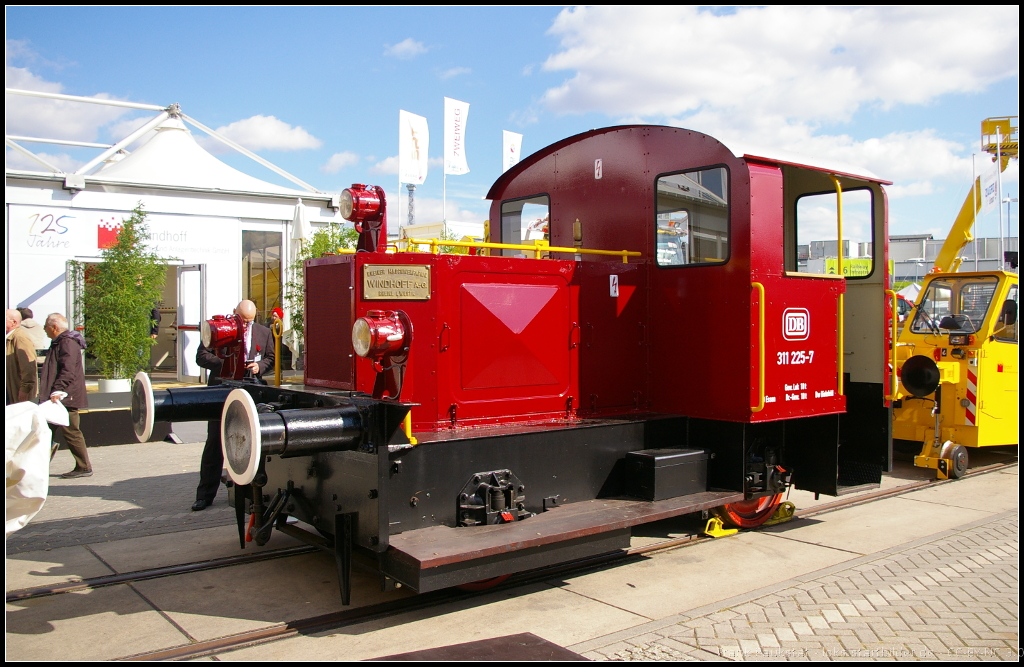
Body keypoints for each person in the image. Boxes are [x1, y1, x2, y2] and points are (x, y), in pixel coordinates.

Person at [192, 300, 274, 511]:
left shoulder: (263, 332)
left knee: (252, 442)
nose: (246, 325)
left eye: (250, 321)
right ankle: (204, 495)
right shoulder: (219, 330)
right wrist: (228, 364)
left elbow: (271, 358)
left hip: (252, 388)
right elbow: (201, 356)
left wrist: (259, 366)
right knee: (215, 442)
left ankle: (251, 495)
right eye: (243, 320)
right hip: (222, 388)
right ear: (234, 314)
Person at [39, 313, 92, 478]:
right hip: (62, 395)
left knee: (70, 431)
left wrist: (58, 390)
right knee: (47, 430)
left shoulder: (66, 342)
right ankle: (40, 466)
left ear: (54, 327)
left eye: (45, 327)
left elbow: (67, 369)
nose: (44, 330)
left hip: (64, 397)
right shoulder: (63, 341)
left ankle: (84, 466)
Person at [6, 309, 38, 405]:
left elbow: (28, 367)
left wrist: (25, 389)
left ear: (14, 322)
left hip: (16, 392)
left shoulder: (20, 338)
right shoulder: (10, 338)